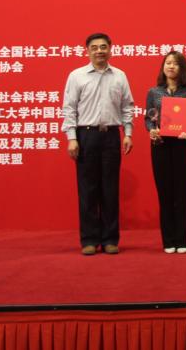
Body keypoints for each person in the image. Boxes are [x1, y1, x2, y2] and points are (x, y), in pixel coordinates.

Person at [62, 32, 135, 256]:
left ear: (110, 49)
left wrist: (128, 133)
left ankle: (110, 239)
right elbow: (69, 108)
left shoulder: (120, 76)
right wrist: (72, 138)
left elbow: (127, 106)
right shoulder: (76, 76)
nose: (99, 51)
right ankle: (90, 239)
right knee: (88, 190)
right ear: (87, 51)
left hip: (111, 135)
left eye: (103, 47)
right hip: (86, 136)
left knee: (110, 190)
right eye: (94, 47)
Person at [145, 51, 186, 254]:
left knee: (182, 194)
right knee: (165, 193)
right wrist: (152, 130)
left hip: (183, 146)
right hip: (160, 145)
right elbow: (148, 118)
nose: (171, 66)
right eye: (167, 63)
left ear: (182, 68)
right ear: (163, 67)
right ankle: (168, 240)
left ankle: (182, 240)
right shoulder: (154, 92)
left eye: (175, 63)